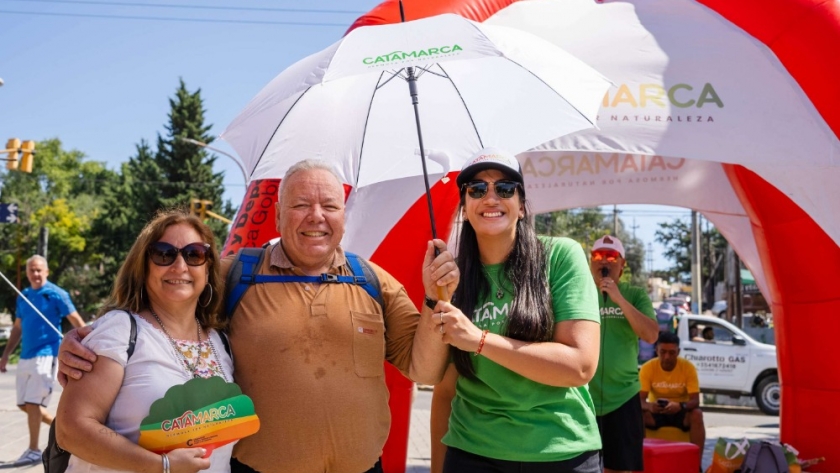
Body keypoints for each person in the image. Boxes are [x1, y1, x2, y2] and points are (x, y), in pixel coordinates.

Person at [57, 159, 458, 473]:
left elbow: (423, 370)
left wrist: (434, 298)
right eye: (300, 205)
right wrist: (86, 338)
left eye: (329, 206)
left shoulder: (374, 280)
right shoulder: (234, 274)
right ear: (280, 215)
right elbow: (168, 296)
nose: (316, 216)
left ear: (343, 217)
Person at [430, 148, 602, 473]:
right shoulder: (453, 278)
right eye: (477, 190)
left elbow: (580, 366)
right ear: (465, 209)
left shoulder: (560, 256)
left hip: (562, 452)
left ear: (521, 206)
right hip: (472, 453)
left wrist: (480, 340)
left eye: (505, 188)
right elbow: (444, 391)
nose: (491, 198)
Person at [55, 209, 232, 472]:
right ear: (144, 267)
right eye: (164, 253)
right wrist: (163, 465)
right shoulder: (119, 330)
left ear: (208, 269)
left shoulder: (222, 342)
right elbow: (72, 429)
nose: (180, 266)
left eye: (194, 254)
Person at [0, 255, 85, 466]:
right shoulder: (24, 295)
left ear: (46, 272)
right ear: (27, 273)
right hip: (25, 356)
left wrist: (87, 346)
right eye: (32, 271)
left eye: (39, 270)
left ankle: (34, 450)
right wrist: (4, 356)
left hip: (47, 354)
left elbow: (76, 321)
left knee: (33, 403)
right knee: (24, 405)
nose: (35, 274)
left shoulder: (56, 294)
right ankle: (68, 432)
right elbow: (18, 327)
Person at [588, 235, 659, 473]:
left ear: (622, 264)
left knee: (620, 468)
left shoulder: (635, 294)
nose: (604, 261)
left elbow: (650, 335)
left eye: (611, 256)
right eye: (598, 255)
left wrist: (617, 298)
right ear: (590, 261)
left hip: (622, 398)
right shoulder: (579, 292)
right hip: (584, 397)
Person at [639, 331, 705, 450]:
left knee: (697, 414)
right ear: (656, 351)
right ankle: (640, 460)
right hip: (657, 412)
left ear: (678, 352)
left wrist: (680, 406)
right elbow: (640, 400)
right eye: (663, 352)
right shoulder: (647, 368)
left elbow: (695, 401)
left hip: (681, 412)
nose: (667, 357)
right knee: (637, 414)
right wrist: (650, 406)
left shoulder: (688, 367)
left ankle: (696, 465)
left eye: (671, 353)